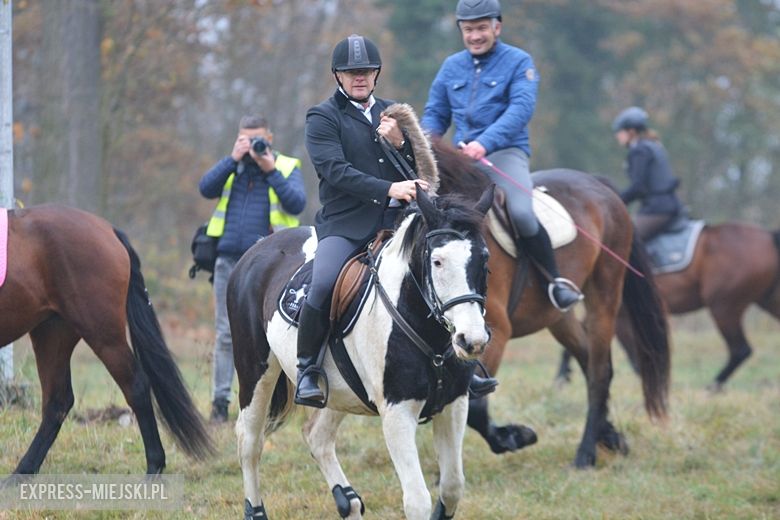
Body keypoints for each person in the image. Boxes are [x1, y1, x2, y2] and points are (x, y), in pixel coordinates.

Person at [296, 34, 497, 407]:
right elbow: (335, 171)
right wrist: (391, 188)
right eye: (352, 72)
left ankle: (466, 366)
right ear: (338, 76)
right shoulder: (322, 117)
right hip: (347, 224)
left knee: (450, 270)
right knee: (322, 283)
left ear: (377, 74)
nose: (360, 77)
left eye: (367, 71)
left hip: (401, 221)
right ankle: (307, 369)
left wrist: (402, 143)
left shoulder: (392, 113)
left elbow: (420, 166)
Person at [421, 0, 583, 312]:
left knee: (521, 212)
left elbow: (520, 110)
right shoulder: (450, 67)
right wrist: (426, 145)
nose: (475, 35)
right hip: (462, 161)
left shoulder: (519, 62)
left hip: (505, 154)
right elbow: (435, 115)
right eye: (468, 30)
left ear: (497, 27)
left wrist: (484, 143)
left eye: (481, 28)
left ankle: (554, 282)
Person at [199, 115, 306, 422]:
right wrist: (232, 159)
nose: (252, 146)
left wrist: (270, 169)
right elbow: (206, 188)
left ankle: (274, 405)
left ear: (270, 137)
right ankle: (220, 404)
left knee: (272, 332)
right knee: (225, 334)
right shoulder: (233, 167)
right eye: (246, 139)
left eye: (258, 139)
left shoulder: (284, 167)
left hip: (269, 267)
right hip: (228, 260)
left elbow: (296, 203)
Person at [611, 106, 683, 242]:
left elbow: (638, 187)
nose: (617, 135)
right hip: (670, 205)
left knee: (625, 240)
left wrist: (614, 202)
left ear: (631, 132)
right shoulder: (653, 145)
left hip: (657, 209)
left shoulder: (639, 150)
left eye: (620, 131)